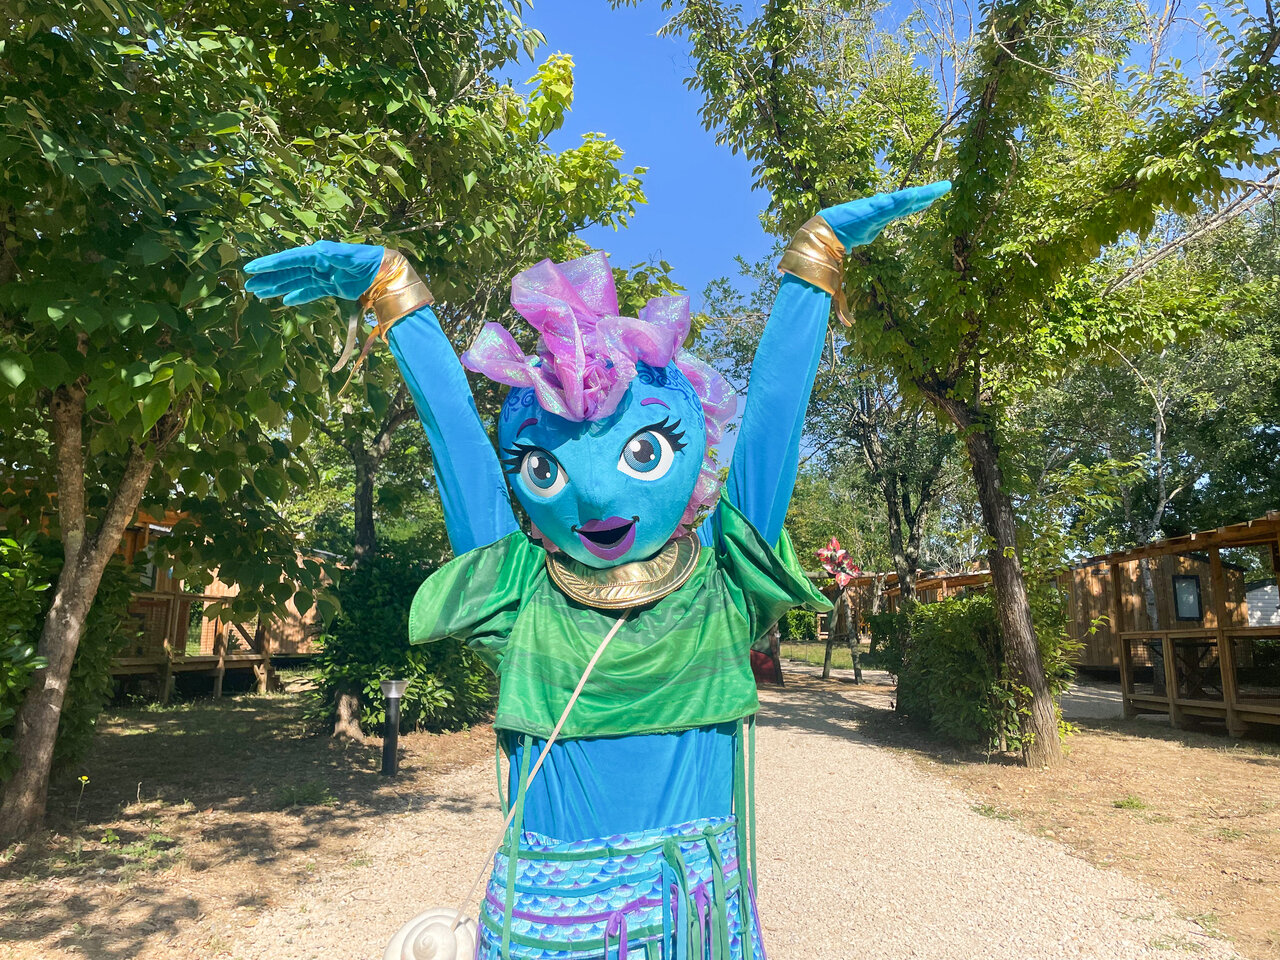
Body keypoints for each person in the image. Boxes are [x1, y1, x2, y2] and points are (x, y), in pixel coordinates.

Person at [245, 182, 948, 960]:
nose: (597, 497)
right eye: (546, 468)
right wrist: (397, 294)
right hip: (561, 927)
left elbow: (774, 424)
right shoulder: (518, 589)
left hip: (688, 926)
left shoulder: (721, 576)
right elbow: (460, 448)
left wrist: (811, 267)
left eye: (643, 452)